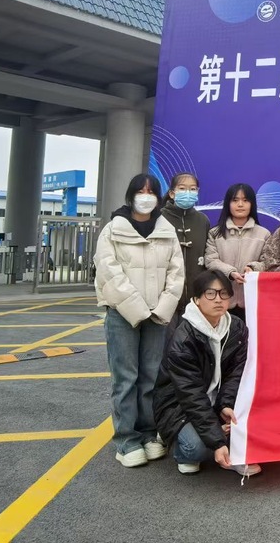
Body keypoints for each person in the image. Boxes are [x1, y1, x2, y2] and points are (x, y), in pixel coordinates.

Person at [94, 173, 184, 468]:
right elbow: (108, 272)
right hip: (122, 314)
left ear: (159, 197)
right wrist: (136, 308)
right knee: (126, 378)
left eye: (151, 192)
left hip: (157, 314)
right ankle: (126, 440)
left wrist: (162, 308)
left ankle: (148, 434)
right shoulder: (113, 230)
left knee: (150, 377)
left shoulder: (166, 230)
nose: (146, 197)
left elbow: (176, 273)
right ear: (131, 195)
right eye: (140, 191)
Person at [153, 270, 259, 477]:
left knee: (248, 429)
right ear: (196, 299)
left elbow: (235, 375)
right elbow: (190, 395)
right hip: (179, 406)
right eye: (210, 293)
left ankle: (228, 448)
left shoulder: (236, 327)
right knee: (197, 449)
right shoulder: (183, 338)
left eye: (224, 293)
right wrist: (218, 440)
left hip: (215, 401)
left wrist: (225, 405)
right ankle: (180, 448)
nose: (218, 299)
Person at [204, 183, 270, 319]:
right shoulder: (215, 233)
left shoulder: (264, 234)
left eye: (245, 200)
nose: (240, 204)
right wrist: (230, 272)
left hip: (252, 302)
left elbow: (268, 262)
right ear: (228, 204)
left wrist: (253, 268)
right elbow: (211, 260)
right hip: (221, 301)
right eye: (235, 200)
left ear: (252, 204)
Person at [161, 172, 211, 301]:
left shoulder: (203, 220)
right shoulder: (159, 218)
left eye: (192, 189)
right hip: (164, 293)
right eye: (182, 188)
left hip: (196, 294)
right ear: (172, 193)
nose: (188, 193)